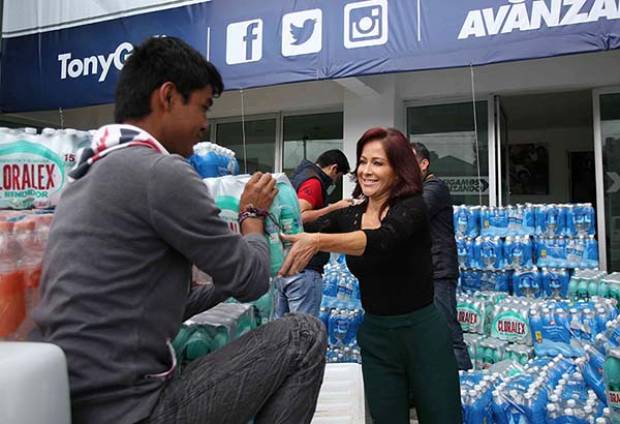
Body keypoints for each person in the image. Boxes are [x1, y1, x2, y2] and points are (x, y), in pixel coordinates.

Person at [30, 37, 326, 424]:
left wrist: (223, 277)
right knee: (303, 334)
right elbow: (253, 280)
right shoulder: (160, 172)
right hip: (133, 410)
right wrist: (252, 215)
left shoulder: (87, 176)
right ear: (167, 97)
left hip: (80, 402)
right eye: (202, 107)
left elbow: (161, 300)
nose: (205, 124)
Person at [280, 128, 462, 423]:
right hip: (377, 338)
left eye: (377, 163)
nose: (366, 171)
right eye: (362, 161)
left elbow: (383, 239)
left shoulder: (412, 206)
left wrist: (318, 242)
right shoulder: (350, 214)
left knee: (442, 417)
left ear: (398, 168)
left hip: (422, 334)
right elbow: (306, 228)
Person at [411, 142, 472, 370]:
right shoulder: (417, 190)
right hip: (422, 270)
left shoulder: (435, 187)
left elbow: (416, 213)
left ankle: (464, 388)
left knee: (447, 329)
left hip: (439, 270)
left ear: (424, 164)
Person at [275, 150, 351, 318]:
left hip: (286, 264)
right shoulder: (314, 182)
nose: (335, 182)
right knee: (305, 332)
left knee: (281, 333)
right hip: (304, 267)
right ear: (333, 168)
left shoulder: (299, 177)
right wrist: (334, 207)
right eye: (338, 177)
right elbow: (299, 216)